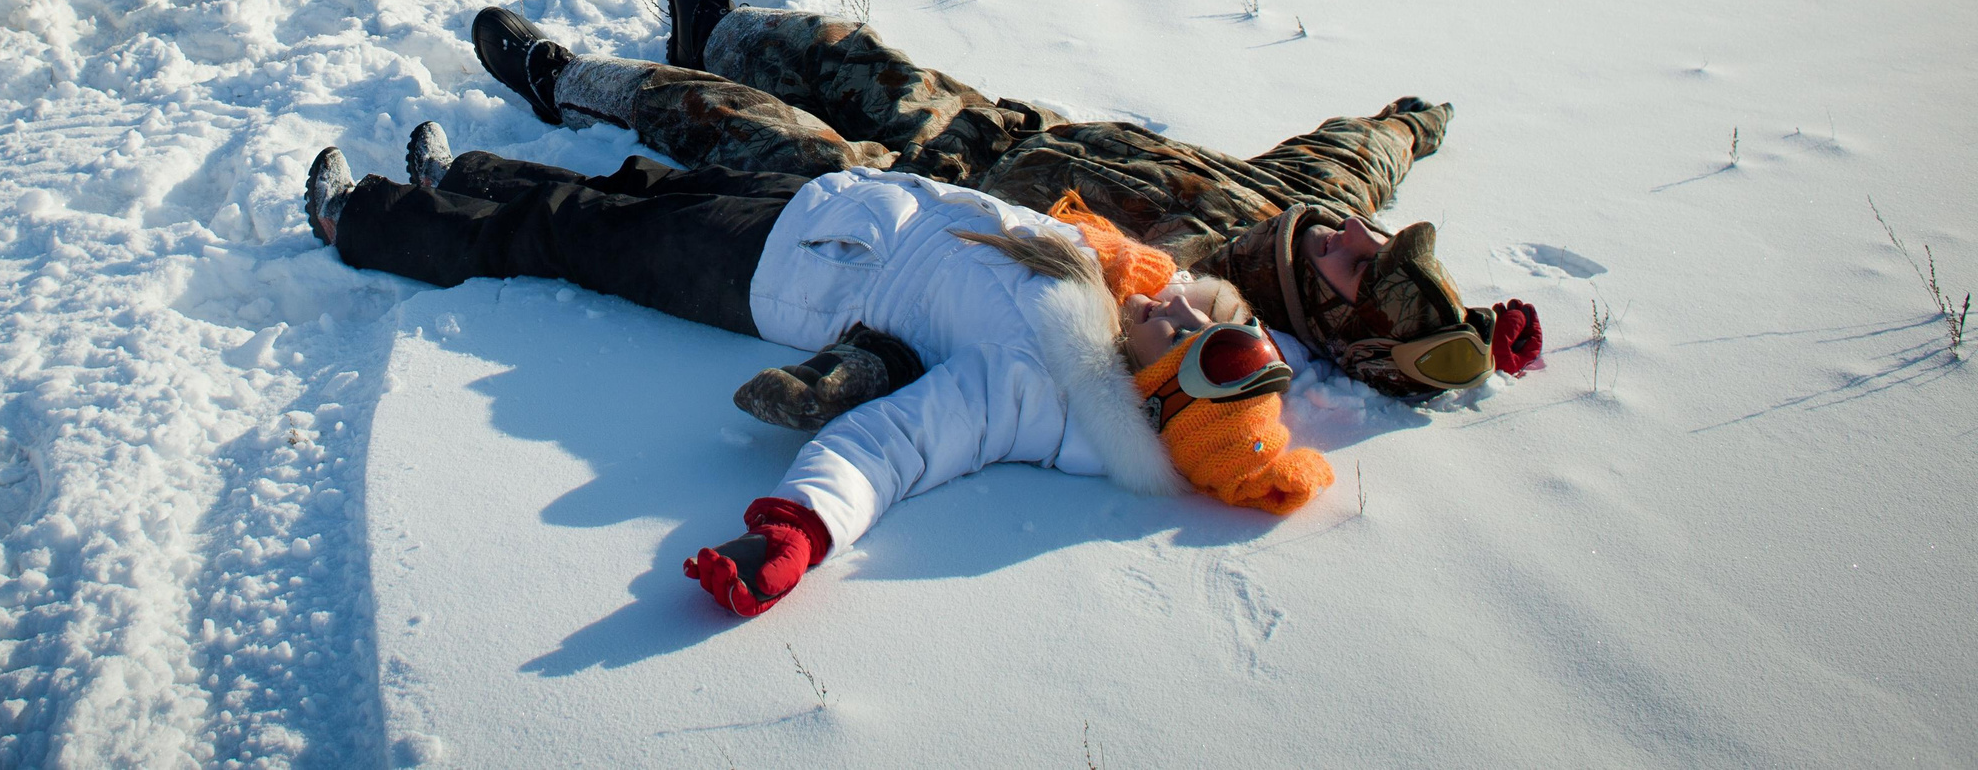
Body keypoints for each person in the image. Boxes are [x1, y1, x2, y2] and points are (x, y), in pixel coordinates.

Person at [305, 125, 1335, 617]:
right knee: (637, 185)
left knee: (569, 234)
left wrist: (795, 534)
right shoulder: (1114, 298)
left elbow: (891, 446)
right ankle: (464, 175)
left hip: (774, 277)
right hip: (830, 211)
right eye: (1190, 300)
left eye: (1179, 326)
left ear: (1163, 395)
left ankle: (367, 221)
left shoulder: (1042, 393)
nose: (1165, 299)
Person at [466, 0, 1544, 401]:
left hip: (912, 197)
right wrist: (1414, 121)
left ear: (1322, 310)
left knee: (738, 128)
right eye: (1372, 235)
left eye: (1358, 266)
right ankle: (717, 28)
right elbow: (1353, 158)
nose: (1351, 235)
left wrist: (862, 374)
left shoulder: (1179, 302)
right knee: (844, 50)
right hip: (994, 126)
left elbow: (1006, 356)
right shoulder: (1300, 209)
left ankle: (564, 81)